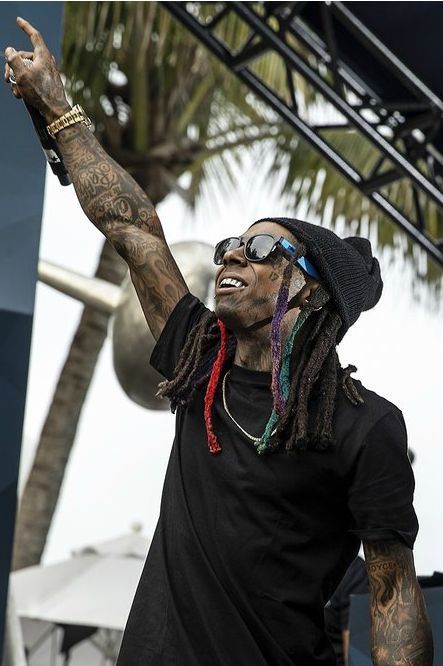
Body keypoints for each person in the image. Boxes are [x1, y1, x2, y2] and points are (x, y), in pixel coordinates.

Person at [5, 18, 433, 666]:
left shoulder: (363, 428)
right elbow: (135, 229)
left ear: (311, 292)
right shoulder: (198, 361)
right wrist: (59, 109)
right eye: (232, 242)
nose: (233, 253)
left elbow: (392, 598)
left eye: (262, 249)